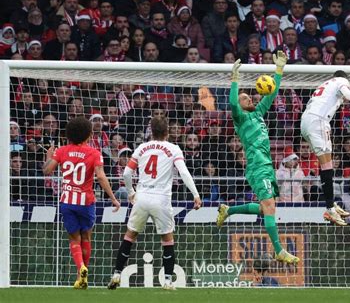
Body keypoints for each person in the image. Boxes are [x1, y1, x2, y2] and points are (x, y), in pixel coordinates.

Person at [216, 51, 299, 264]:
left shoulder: (258, 113)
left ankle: (229, 210)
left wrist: (279, 69)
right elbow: (233, 104)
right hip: (257, 166)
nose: (249, 98)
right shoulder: (241, 119)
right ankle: (279, 250)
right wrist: (235, 80)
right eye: (245, 98)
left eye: (249, 96)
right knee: (270, 206)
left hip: (267, 166)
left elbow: (271, 94)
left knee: (265, 207)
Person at [108, 116, 202, 291]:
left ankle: (116, 275)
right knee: (167, 239)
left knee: (130, 236)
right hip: (161, 199)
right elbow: (184, 172)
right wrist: (195, 194)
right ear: (167, 132)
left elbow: (127, 173)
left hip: (142, 197)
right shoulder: (174, 149)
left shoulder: (142, 148)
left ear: (151, 131)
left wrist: (131, 192)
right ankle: (167, 281)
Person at [42, 117, 120, 289]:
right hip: (86, 202)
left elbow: (47, 170)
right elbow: (100, 176)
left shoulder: (62, 151)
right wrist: (113, 198)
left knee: (74, 239)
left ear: (68, 134)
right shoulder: (94, 153)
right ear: (89, 135)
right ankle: (83, 274)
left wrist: (48, 156)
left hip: (67, 200)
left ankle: (80, 270)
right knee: (86, 237)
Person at [300, 70, 350, 226]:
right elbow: (344, 91)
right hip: (318, 121)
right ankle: (330, 208)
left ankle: (331, 204)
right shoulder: (340, 81)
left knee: (325, 164)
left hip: (306, 122)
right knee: (327, 166)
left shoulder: (324, 85)